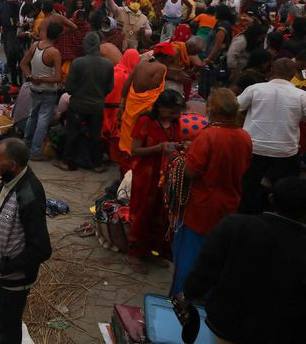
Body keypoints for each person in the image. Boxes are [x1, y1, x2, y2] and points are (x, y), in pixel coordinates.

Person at [178, 177, 306, 344]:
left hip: (226, 325)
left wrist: (186, 296)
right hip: (278, 333)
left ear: (271, 198)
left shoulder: (235, 226)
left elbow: (205, 270)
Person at [169, 88, 251, 296]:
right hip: (229, 205)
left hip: (201, 207)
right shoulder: (244, 137)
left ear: (211, 110)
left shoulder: (208, 136)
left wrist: (178, 159)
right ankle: (206, 298)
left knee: (189, 257)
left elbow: (191, 170)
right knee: (216, 254)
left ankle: (182, 299)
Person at [0, 138, 52, 344]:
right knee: (4, 322)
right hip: (3, 274)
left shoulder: (29, 194)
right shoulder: (9, 180)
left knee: (9, 327)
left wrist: (8, 266)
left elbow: (42, 248)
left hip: (14, 279)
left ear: (12, 164)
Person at [125, 90, 186, 274]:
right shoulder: (145, 121)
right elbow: (135, 150)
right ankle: (133, 252)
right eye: (171, 111)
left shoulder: (175, 122)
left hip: (167, 175)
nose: (175, 115)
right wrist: (160, 148)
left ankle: (151, 250)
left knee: (161, 212)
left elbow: (177, 142)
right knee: (143, 210)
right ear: (160, 107)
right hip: (146, 175)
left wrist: (182, 146)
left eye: (177, 111)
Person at [236, 57, 306, 213]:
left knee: (249, 187)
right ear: (293, 74)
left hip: (254, 148)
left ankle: (248, 215)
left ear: (272, 71)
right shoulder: (300, 96)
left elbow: (236, 106)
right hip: (285, 151)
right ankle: (279, 214)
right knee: (284, 190)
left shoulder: (255, 89)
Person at [54, 33, 113, 172]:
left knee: (72, 133)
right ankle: (97, 164)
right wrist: (98, 95)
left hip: (78, 105)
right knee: (96, 135)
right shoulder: (108, 64)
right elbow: (110, 87)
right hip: (97, 106)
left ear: (85, 45)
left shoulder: (78, 62)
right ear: (98, 46)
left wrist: (79, 93)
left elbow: (69, 87)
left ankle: (66, 162)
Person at [118, 42, 175, 157]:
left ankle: (125, 163)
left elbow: (128, 82)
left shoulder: (141, 63)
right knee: (139, 138)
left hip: (131, 104)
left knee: (127, 135)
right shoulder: (161, 68)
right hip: (144, 109)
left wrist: (122, 102)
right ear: (167, 57)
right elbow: (152, 90)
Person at [20, 21, 63, 160]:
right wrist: (40, 79)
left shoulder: (35, 45)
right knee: (42, 121)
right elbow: (57, 78)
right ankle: (35, 152)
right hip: (47, 91)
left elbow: (23, 63)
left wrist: (30, 76)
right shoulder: (54, 52)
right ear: (58, 36)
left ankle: (26, 146)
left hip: (34, 89)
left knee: (33, 117)